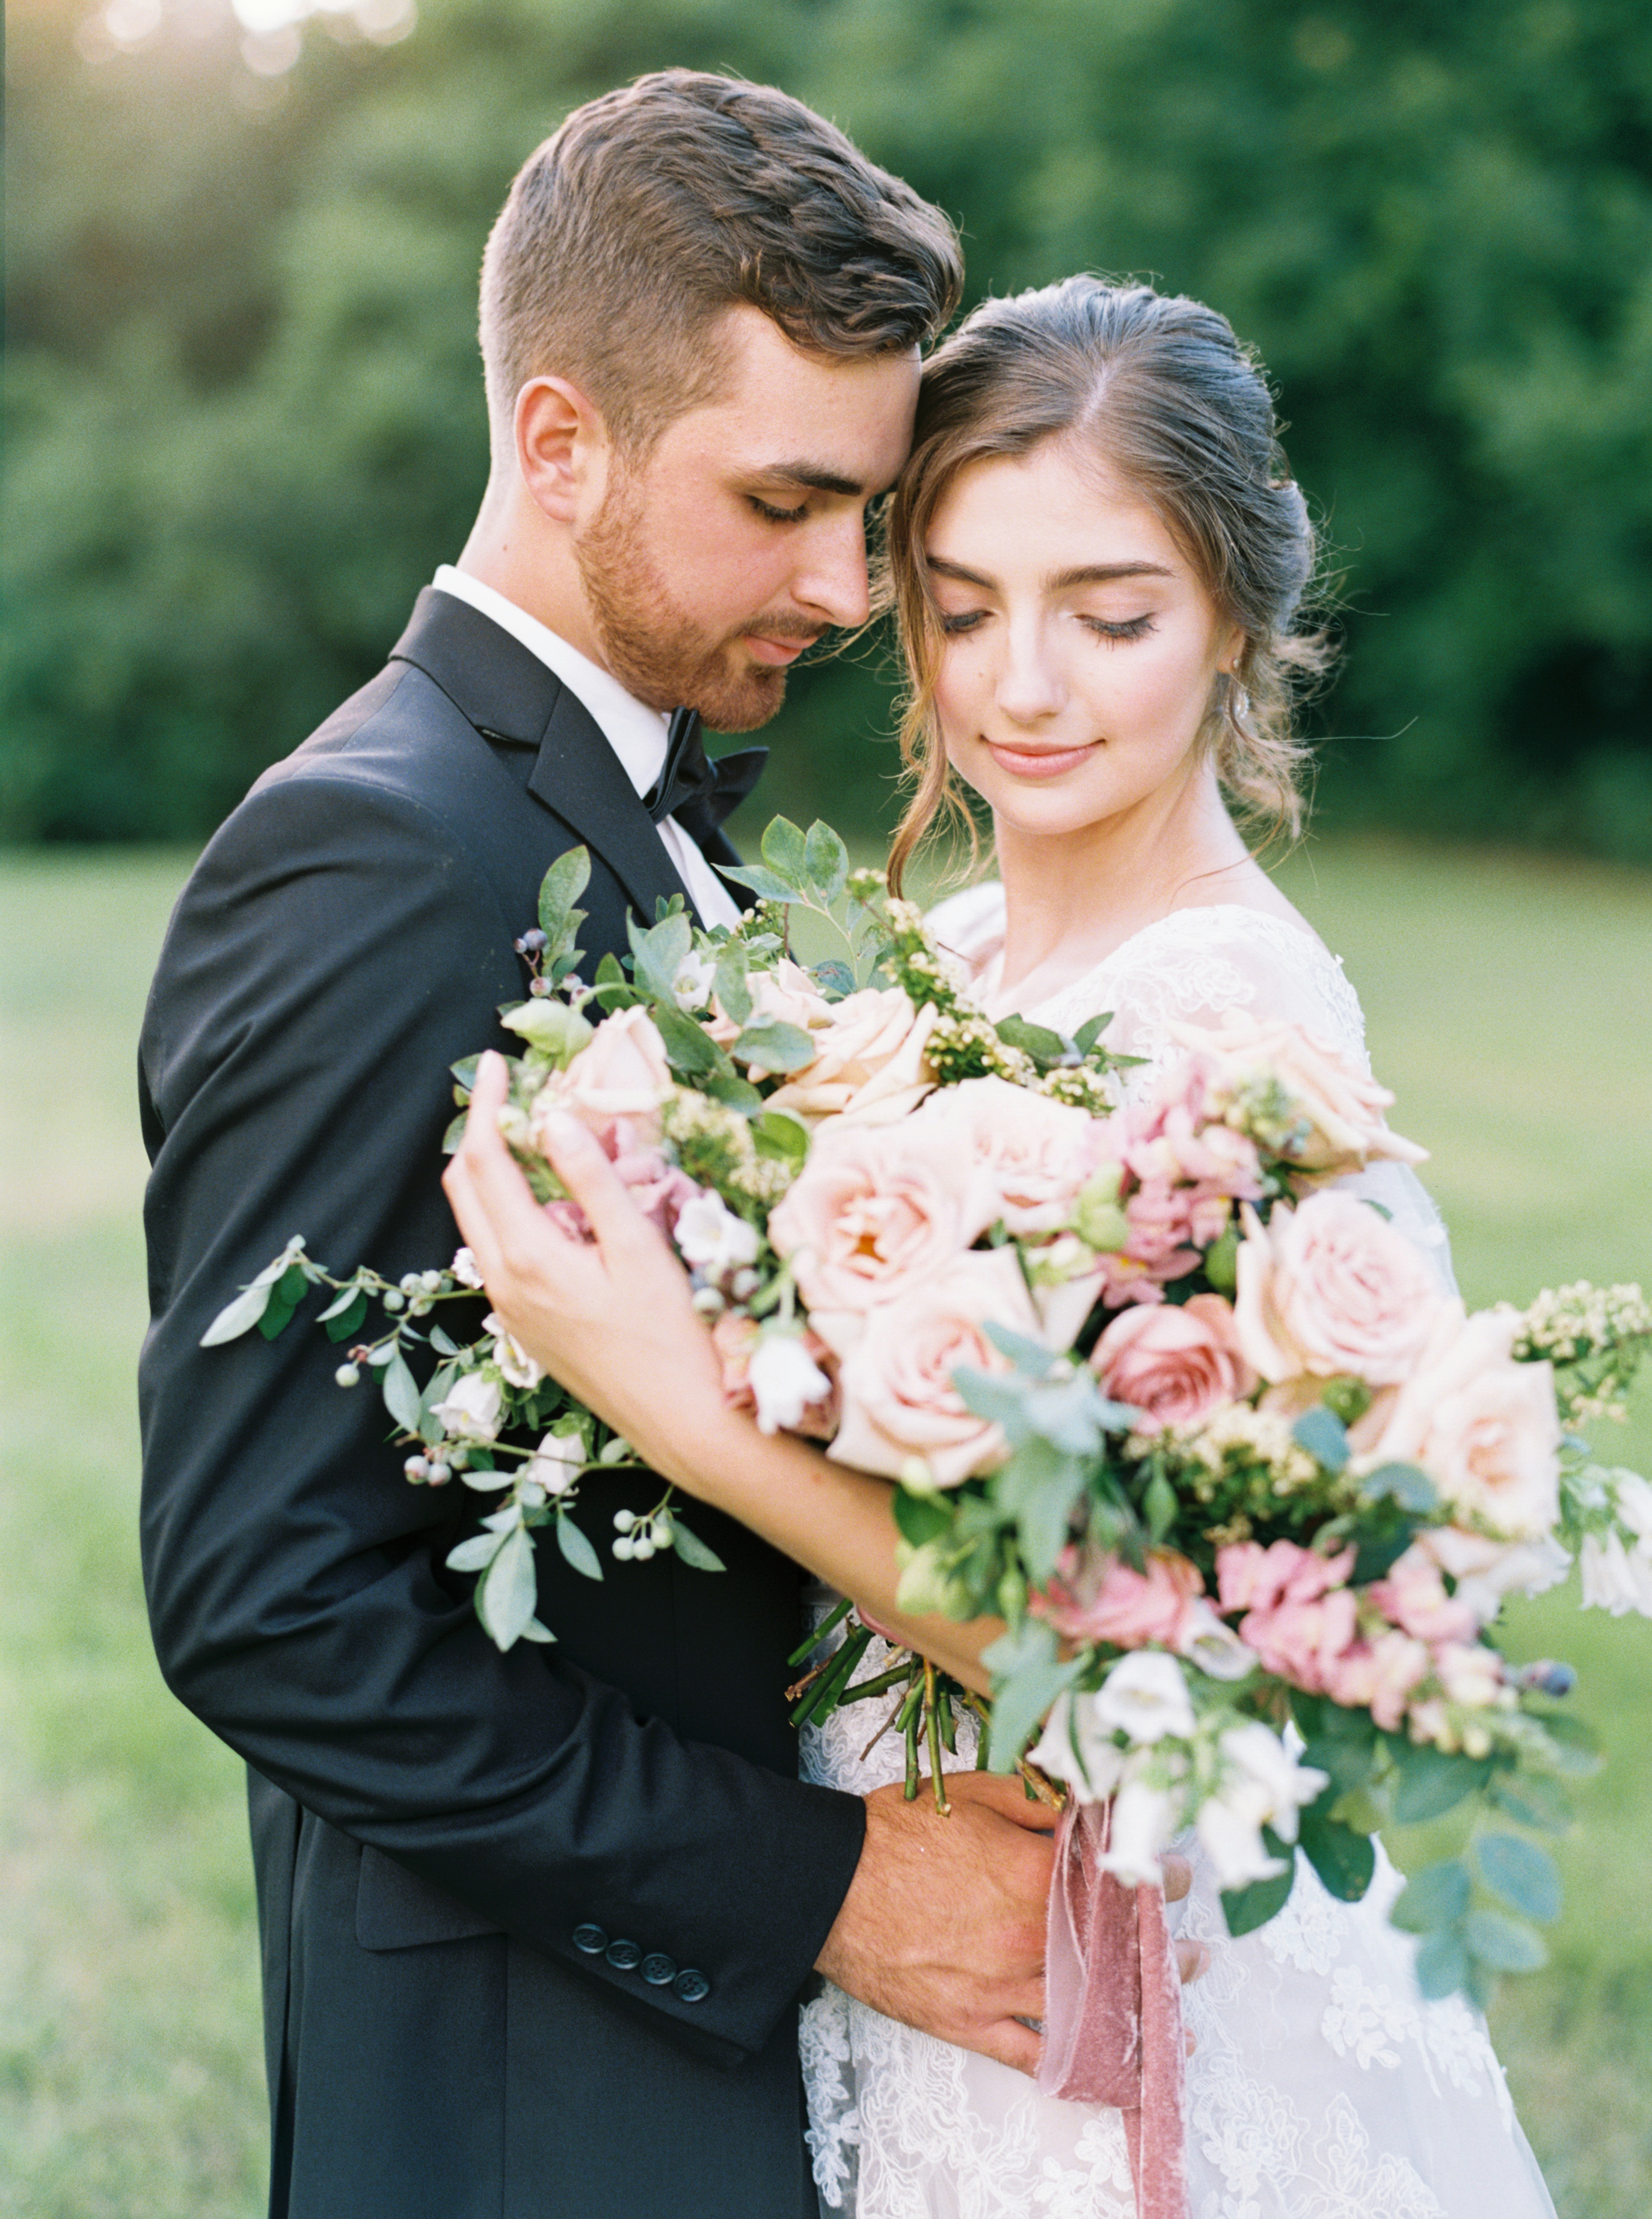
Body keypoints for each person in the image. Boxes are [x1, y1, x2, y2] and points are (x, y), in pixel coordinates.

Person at [141, 73, 1173, 2219]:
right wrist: (826, 1886)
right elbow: (265, 1603)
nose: (840, 581)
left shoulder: (650, 814)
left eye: (863, 512)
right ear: (555, 439)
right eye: (784, 500)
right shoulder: (370, 856)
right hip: (532, 2089)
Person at [445, 278, 1561, 2216]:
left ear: (1233, 614)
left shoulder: (1238, 1033)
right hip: (920, 1897)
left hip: (1137, 1950)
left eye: (1108, 613)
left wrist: (674, 1403)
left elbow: (1187, 1681)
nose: (1021, 681)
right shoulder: (933, 970)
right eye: (962, 609)